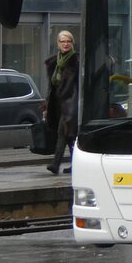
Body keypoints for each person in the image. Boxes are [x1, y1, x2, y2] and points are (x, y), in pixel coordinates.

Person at [45, 30, 79, 174]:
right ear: (58, 44)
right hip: (58, 104)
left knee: (62, 132)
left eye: (68, 41)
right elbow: (51, 86)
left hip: (71, 103)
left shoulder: (76, 61)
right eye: (63, 41)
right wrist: (46, 105)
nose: (66, 44)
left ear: (72, 43)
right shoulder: (55, 62)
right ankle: (76, 164)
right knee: (69, 136)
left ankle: (55, 164)